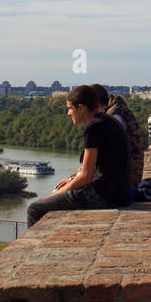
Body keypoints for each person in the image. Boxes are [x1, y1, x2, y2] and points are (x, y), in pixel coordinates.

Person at [25, 85, 130, 227]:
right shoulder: (109, 120)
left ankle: (34, 249)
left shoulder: (93, 126)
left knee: (34, 208)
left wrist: (57, 194)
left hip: (104, 196)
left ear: (81, 108)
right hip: (121, 194)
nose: (68, 113)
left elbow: (86, 175)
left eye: (70, 108)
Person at [103, 89, 145, 193]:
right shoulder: (123, 112)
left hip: (129, 172)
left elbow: (115, 143)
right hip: (134, 166)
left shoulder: (115, 114)